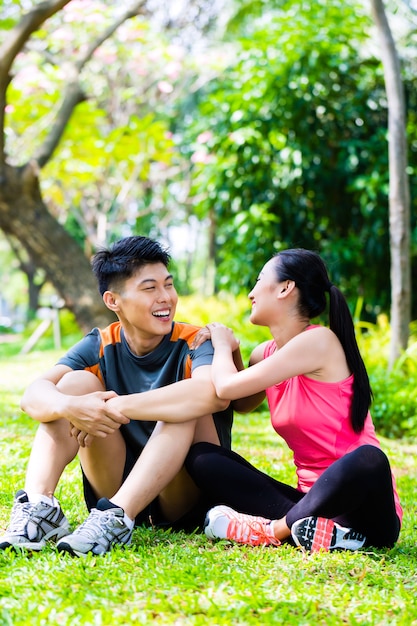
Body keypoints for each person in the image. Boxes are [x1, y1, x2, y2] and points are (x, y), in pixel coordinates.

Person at [0, 235, 234, 557]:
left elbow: (213, 394)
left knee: (183, 402)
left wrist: (118, 405)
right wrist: (72, 406)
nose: (166, 298)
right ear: (113, 301)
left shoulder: (195, 340)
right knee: (73, 385)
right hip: (115, 482)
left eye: (168, 285)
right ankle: (40, 508)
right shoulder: (100, 343)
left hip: (185, 495)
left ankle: (117, 518)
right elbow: (33, 396)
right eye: (150, 288)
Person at [185, 248, 402, 553]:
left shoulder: (320, 341)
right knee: (204, 459)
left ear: (286, 287)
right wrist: (233, 352)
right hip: (307, 506)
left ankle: (271, 531)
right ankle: (319, 533)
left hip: (366, 513)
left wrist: (220, 345)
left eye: (259, 281)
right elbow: (239, 402)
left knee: (369, 458)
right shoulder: (265, 353)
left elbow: (226, 388)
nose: (250, 293)